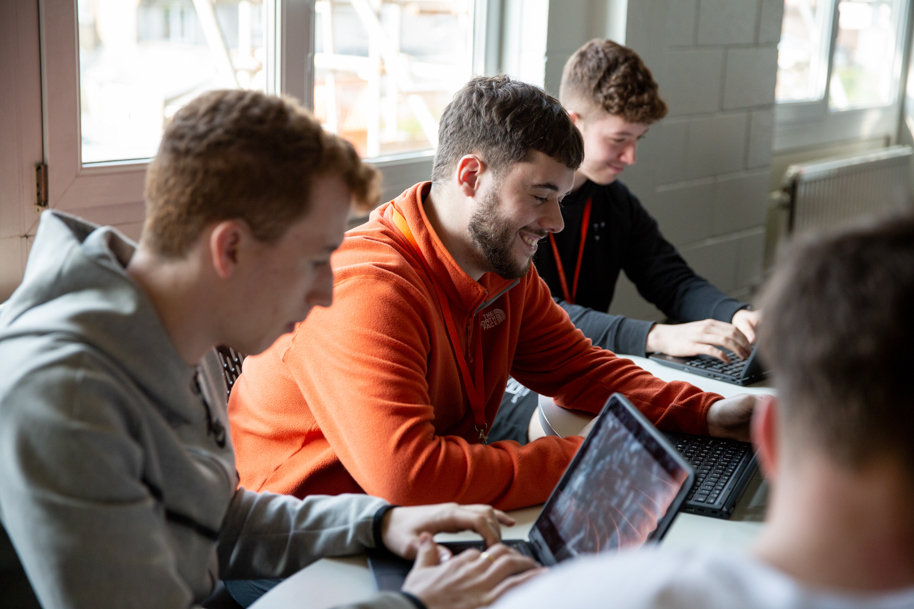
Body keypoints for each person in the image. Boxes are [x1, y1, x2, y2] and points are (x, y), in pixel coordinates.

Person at [0, 89, 540, 609]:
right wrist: (414, 604)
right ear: (230, 247)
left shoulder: (170, 330)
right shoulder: (66, 399)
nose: (326, 292)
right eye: (313, 261)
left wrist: (377, 523)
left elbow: (210, 516)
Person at [227, 75, 759, 515]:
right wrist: (601, 459)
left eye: (563, 201)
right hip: (304, 546)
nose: (555, 223)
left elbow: (581, 369)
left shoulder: (500, 266)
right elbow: (410, 477)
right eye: (540, 196)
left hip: (406, 520)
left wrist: (709, 413)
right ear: (470, 176)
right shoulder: (368, 288)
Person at [492, 213, 914, 609]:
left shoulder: (579, 596)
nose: (555, 219)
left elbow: (664, 286)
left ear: (768, 434)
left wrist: (609, 464)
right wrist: (654, 338)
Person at [537, 39, 761, 361]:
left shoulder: (615, 202)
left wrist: (736, 315)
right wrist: (656, 336)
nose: (631, 156)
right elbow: (534, 313)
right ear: (573, 123)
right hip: (514, 374)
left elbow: (671, 280)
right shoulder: (524, 202)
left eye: (637, 139)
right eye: (619, 140)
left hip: (580, 362)